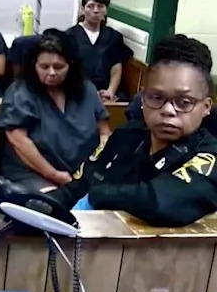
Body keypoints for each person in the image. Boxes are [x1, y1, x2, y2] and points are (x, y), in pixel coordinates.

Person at [50, 35, 217, 227]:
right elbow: (78, 186)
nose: (168, 110)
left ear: (206, 107)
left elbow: (164, 203)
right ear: (143, 98)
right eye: (156, 97)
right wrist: (42, 204)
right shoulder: (125, 136)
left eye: (183, 102)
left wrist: (97, 196)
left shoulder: (209, 155)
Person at [0, 30, 111, 192]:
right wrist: (54, 174)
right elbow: (19, 140)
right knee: (53, 201)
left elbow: (105, 133)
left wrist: (97, 167)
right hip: (34, 173)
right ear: (34, 65)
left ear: (70, 65)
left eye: (58, 67)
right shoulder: (20, 92)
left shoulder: (87, 89)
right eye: (44, 67)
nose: (51, 72)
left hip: (83, 173)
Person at [66, 0, 134, 102]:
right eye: (91, 6)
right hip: (78, 92)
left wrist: (110, 91)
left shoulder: (114, 37)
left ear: (105, 10)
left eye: (100, 6)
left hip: (106, 93)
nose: (96, 11)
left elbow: (116, 67)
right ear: (82, 10)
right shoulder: (70, 36)